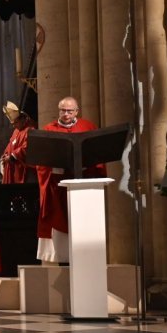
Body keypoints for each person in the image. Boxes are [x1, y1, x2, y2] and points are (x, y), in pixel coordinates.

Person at [35, 96, 104, 263]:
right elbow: (41, 161)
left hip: (84, 185)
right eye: (63, 110)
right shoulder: (49, 130)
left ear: (77, 111)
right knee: (59, 220)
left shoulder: (87, 127)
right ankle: (64, 258)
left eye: (70, 111)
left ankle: (88, 255)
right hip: (58, 187)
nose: (66, 114)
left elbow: (99, 154)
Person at [0, 101, 36, 184]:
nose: (14, 126)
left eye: (15, 123)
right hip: (13, 168)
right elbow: (10, 146)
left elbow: (27, 147)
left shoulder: (30, 130)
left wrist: (12, 156)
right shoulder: (16, 131)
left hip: (24, 170)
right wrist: (5, 155)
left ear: (23, 119)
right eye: (12, 124)